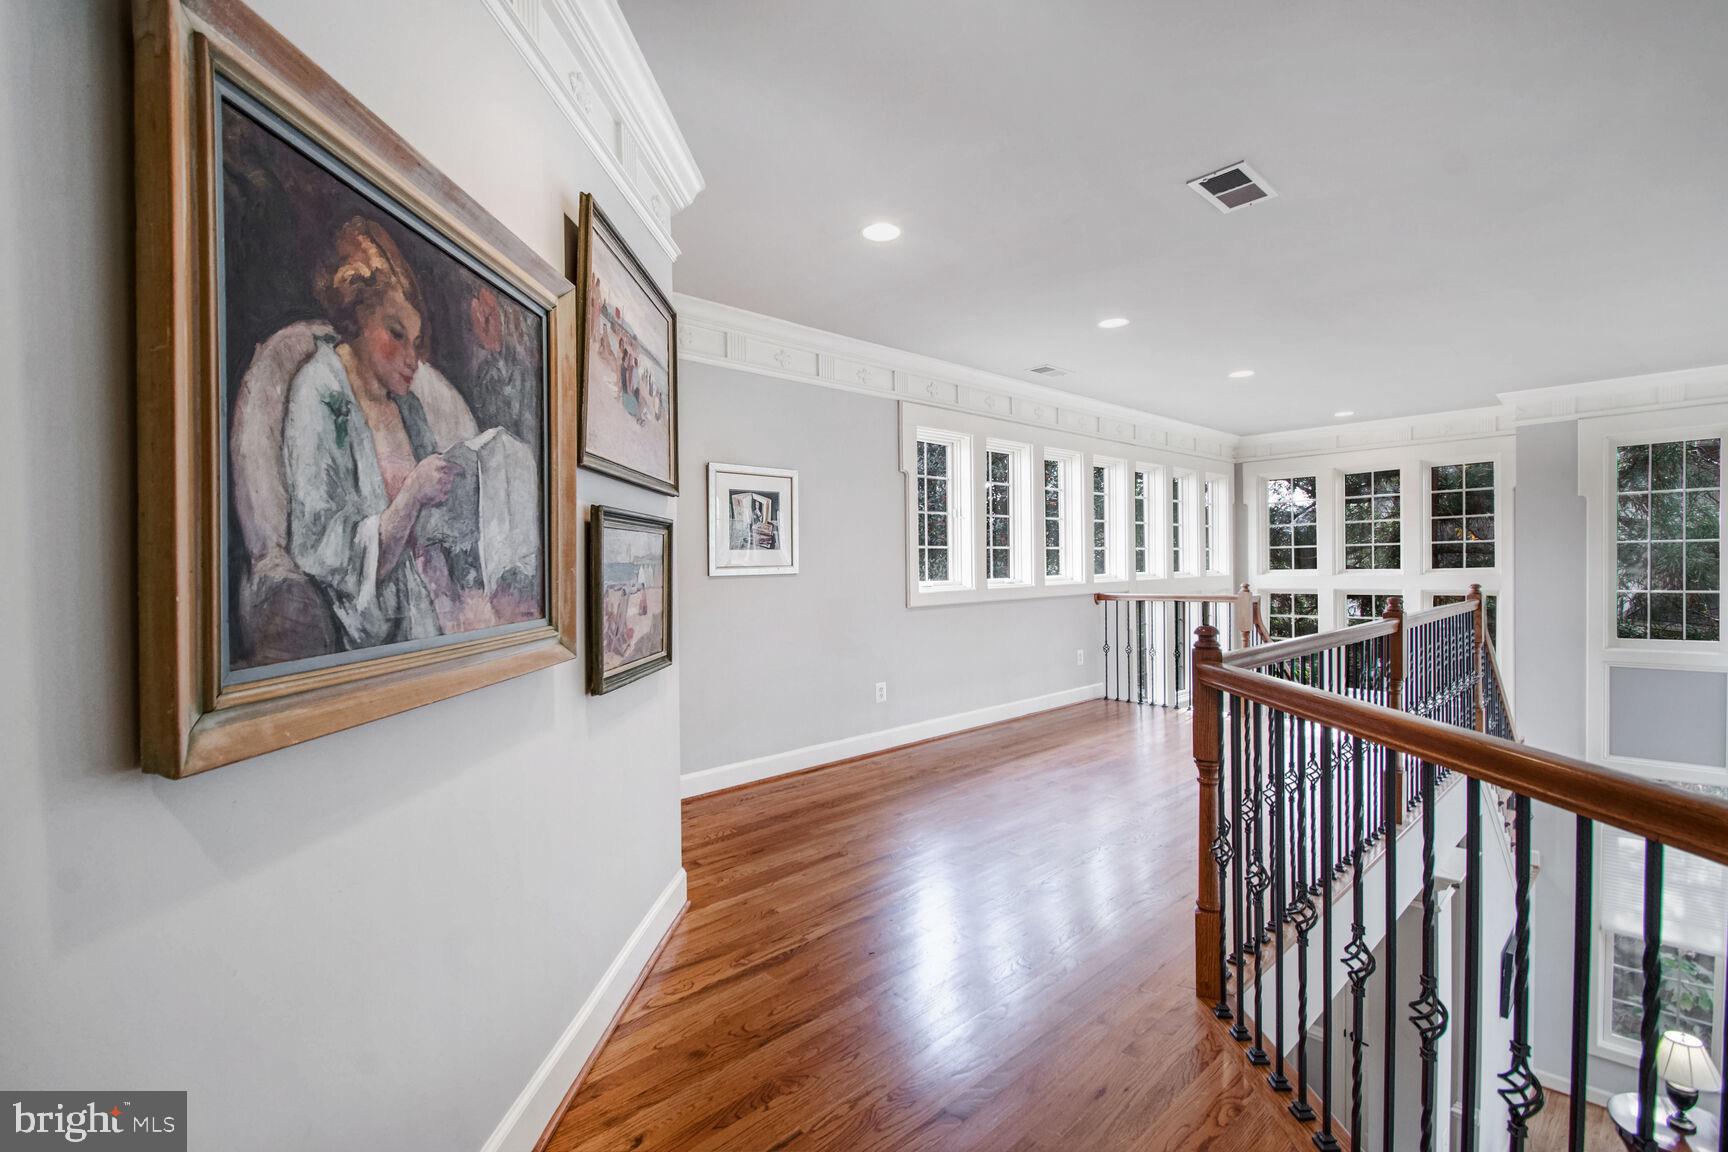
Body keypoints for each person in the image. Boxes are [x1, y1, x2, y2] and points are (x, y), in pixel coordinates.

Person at [281, 216, 492, 650]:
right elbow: (319, 544)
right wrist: (412, 495)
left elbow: (434, 526)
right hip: (369, 626)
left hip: (432, 600)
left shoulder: (407, 404)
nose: (412, 358)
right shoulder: (320, 393)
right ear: (358, 319)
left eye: (416, 342)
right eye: (396, 334)